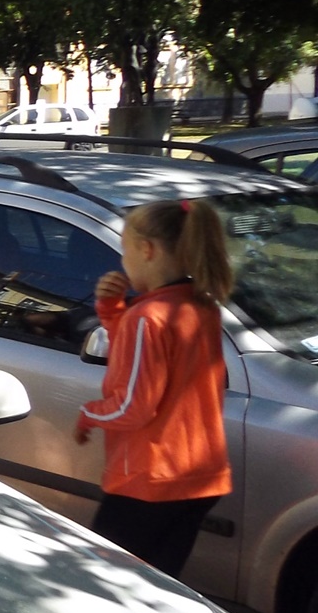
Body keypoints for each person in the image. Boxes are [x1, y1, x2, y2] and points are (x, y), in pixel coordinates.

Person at [74, 199, 235, 579]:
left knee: (107, 583)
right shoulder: (199, 305)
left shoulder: (146, 317)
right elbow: (143, 361)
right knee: (159, 584)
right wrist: (113, 311)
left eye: (125, 250)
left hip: (150, 481)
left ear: (147, 250)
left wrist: (88, 414)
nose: (123, 261)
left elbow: (134, 405)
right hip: (199, 479)